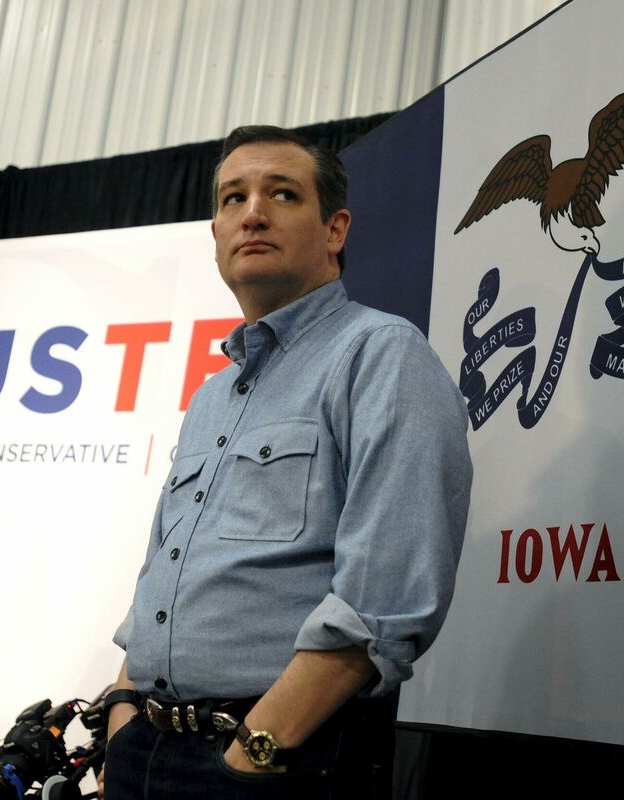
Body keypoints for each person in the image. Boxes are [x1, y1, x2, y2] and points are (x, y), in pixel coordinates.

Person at [101, 125, 472, 799]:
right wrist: (123, 719)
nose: (252, 213)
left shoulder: (380, 354)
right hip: (144, 751)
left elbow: (385, 598)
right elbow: (164, 574)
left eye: (281, 194)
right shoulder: (211, 396)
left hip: (272, 762)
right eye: (233, 197)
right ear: (215, 232)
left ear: (335, 230)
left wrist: (255, 749)